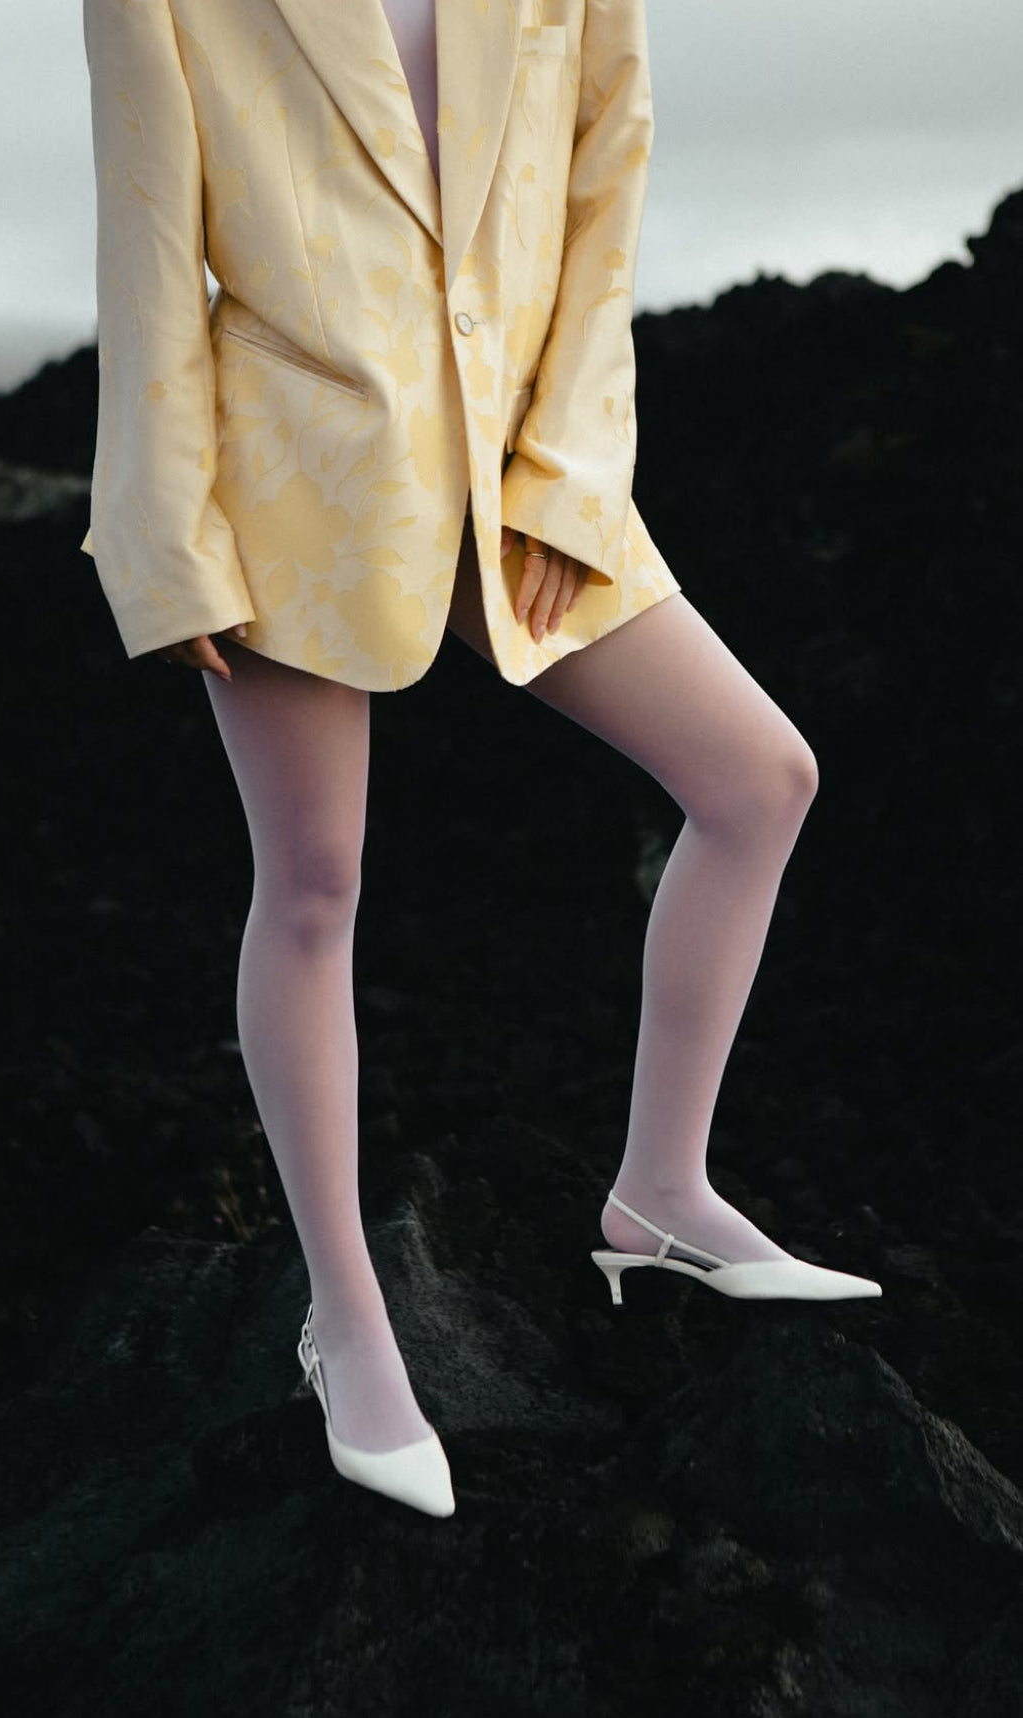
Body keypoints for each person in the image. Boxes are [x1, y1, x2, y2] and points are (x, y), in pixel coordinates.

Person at [80, 0, 881, 1519]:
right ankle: (347, 1318)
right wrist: (165, 546)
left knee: (759, 778)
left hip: (524, 465)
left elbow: (603, 183)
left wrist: (570, 478)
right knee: (313, 882)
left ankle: (661, 1195)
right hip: (298, 473)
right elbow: (147, 243)